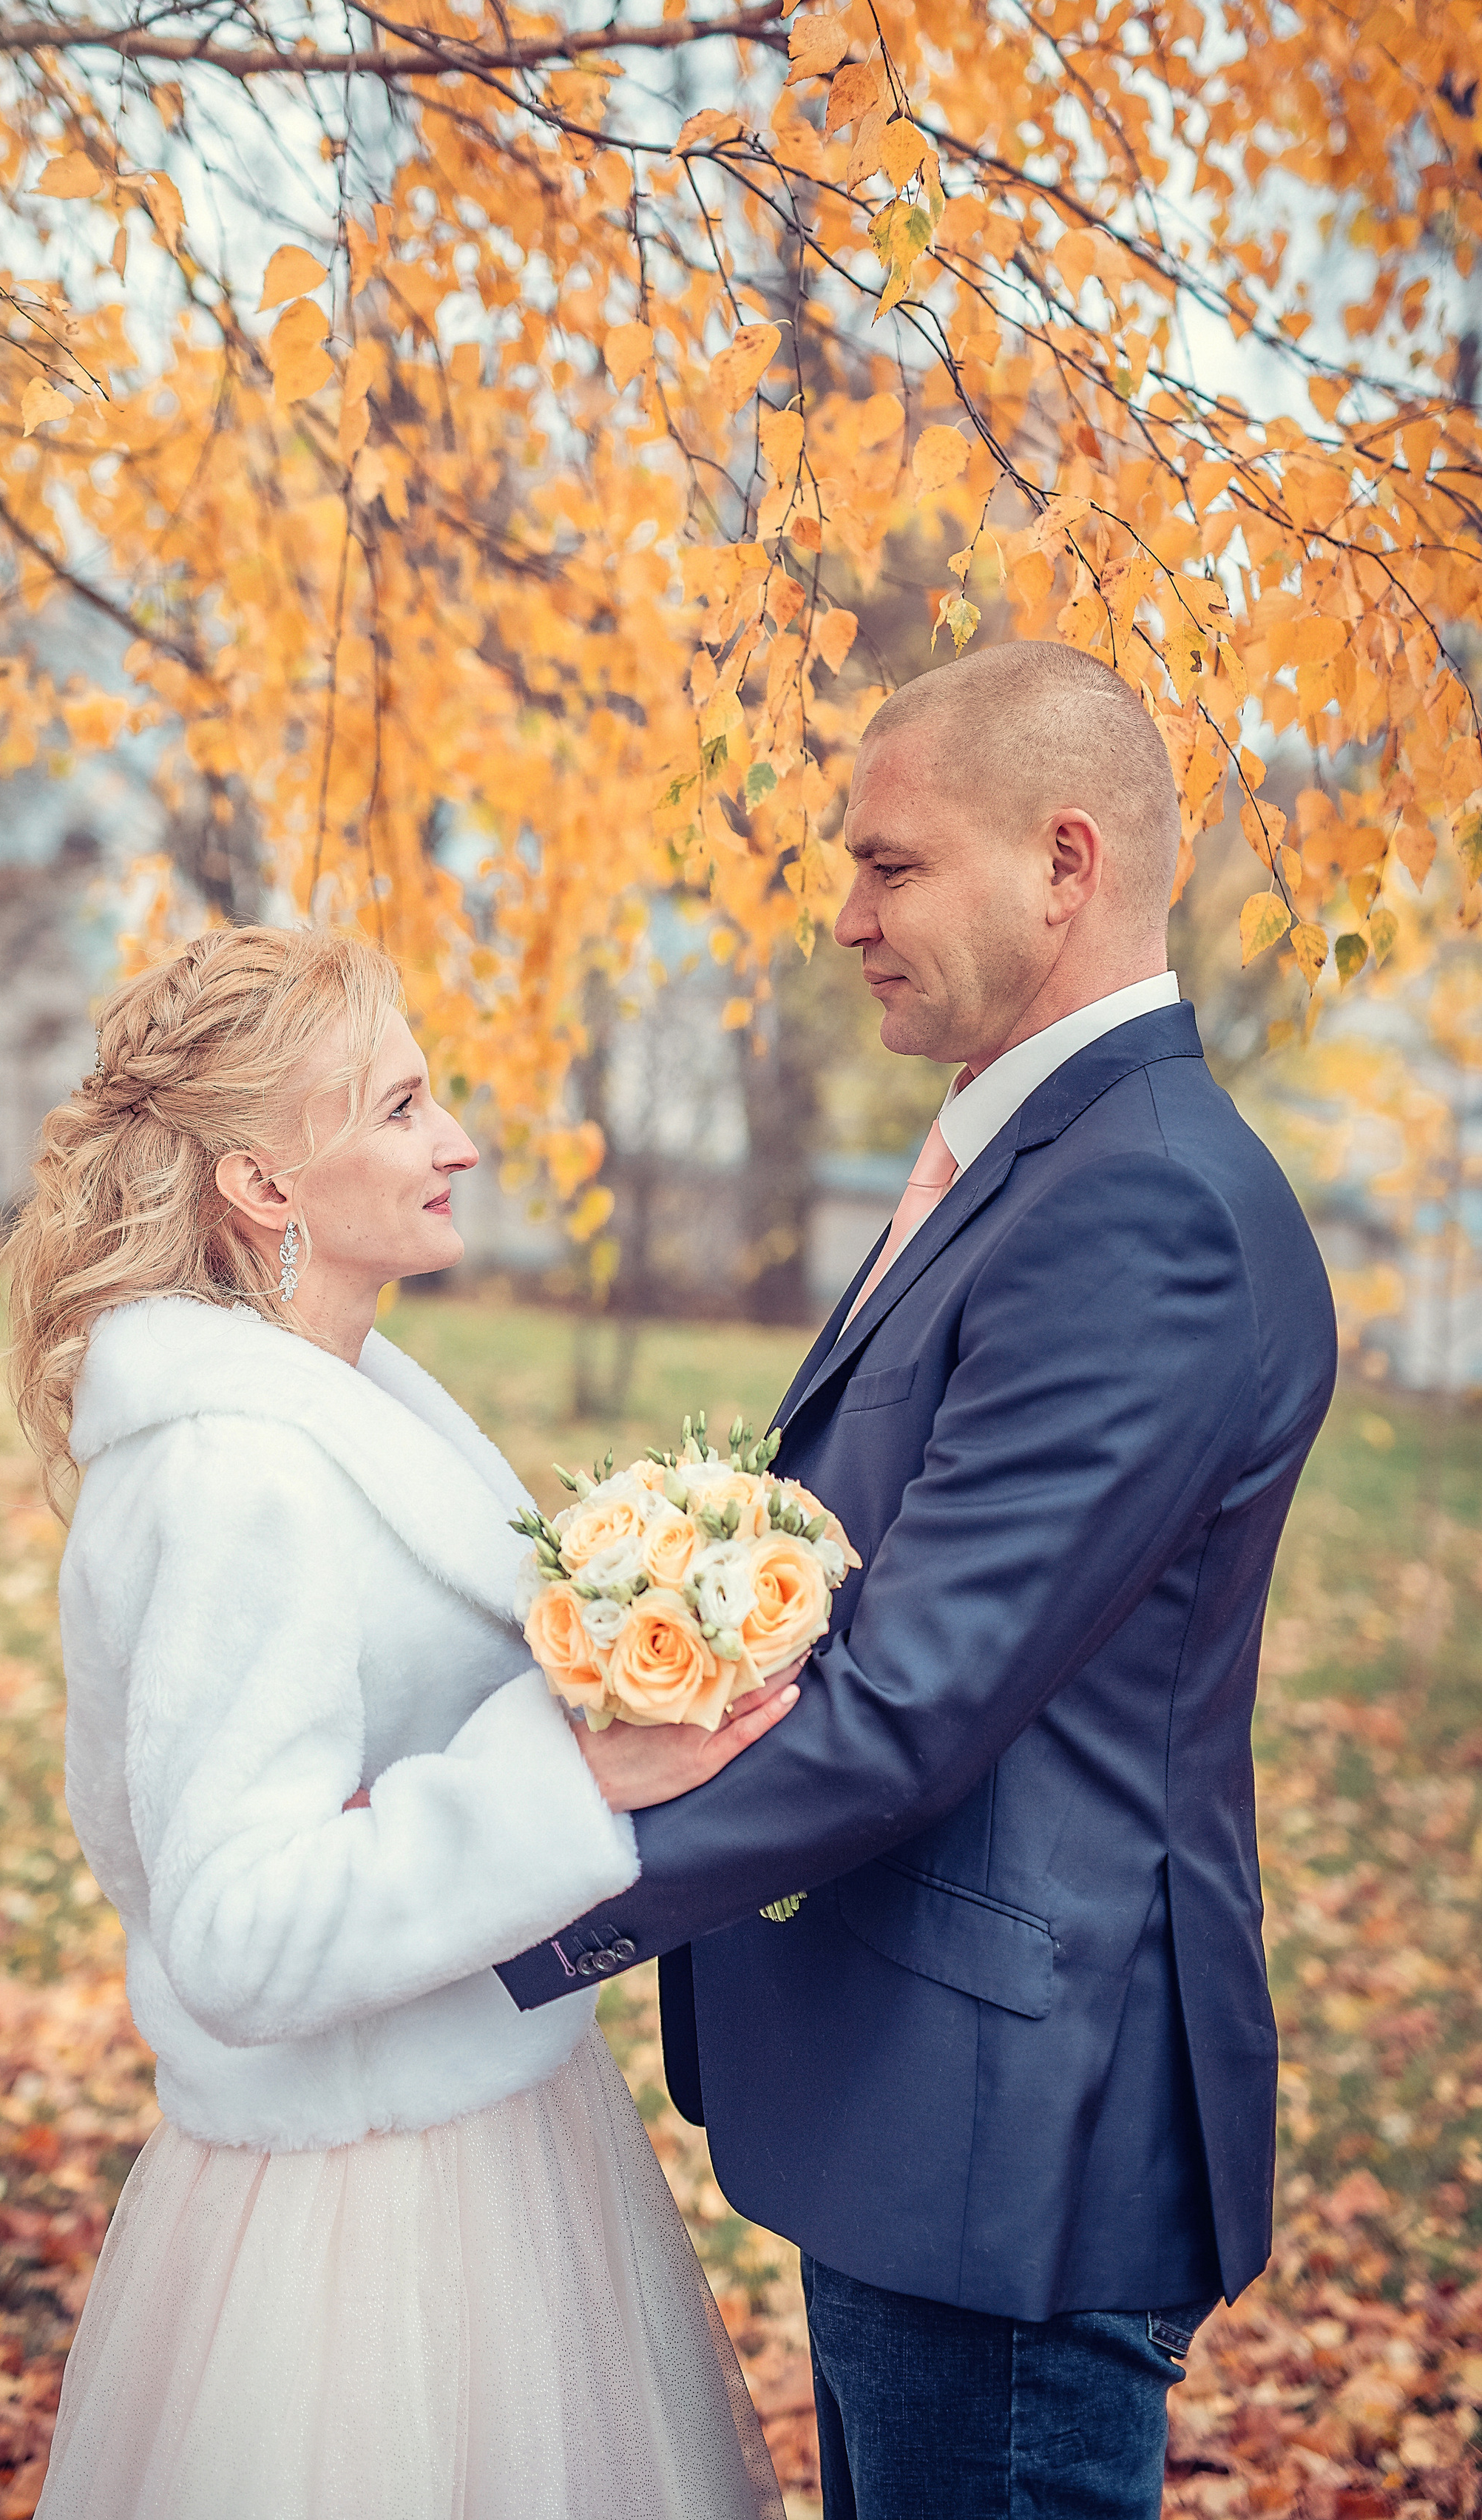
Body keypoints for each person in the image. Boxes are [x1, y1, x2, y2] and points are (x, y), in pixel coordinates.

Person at [500, 641, 1338, 2520]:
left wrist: (481, 1900)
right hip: (921, 2097)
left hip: (1013, 2131)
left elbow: (902, 1701)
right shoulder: (1023, 1160)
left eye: (889, 864)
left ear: (1062, 858)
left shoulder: (1143, 1207)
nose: (846, 914)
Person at [0, 925, 788, 2520]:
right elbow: (231, 1925)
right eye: (400, 1106)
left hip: (483, 2114)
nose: (459, 1142)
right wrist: (560, 1780)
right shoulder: (243, 1472)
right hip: (367, 2226)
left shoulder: (353, 1403)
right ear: (265, 1187)